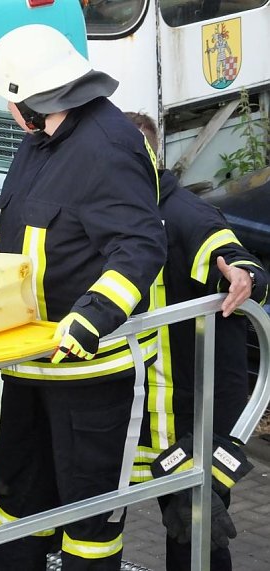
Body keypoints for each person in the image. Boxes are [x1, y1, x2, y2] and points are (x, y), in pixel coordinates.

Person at [0, 25, 167, 570]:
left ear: (33, 100)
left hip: (91, 376)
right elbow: (2, 220)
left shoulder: (108, 148)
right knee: (16, 503)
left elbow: (139, 246)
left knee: (89, 523)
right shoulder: (39, 143)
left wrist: (91, 318)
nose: (8, 110)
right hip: (29, 366)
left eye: (10, 99)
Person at [126, 111, 269, 571]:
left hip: (199, 411)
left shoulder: (186, 213)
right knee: (181, 521)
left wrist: (244, 275)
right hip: (154, 405)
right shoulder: (124, 211)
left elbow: (232, 257)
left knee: (197, 527)